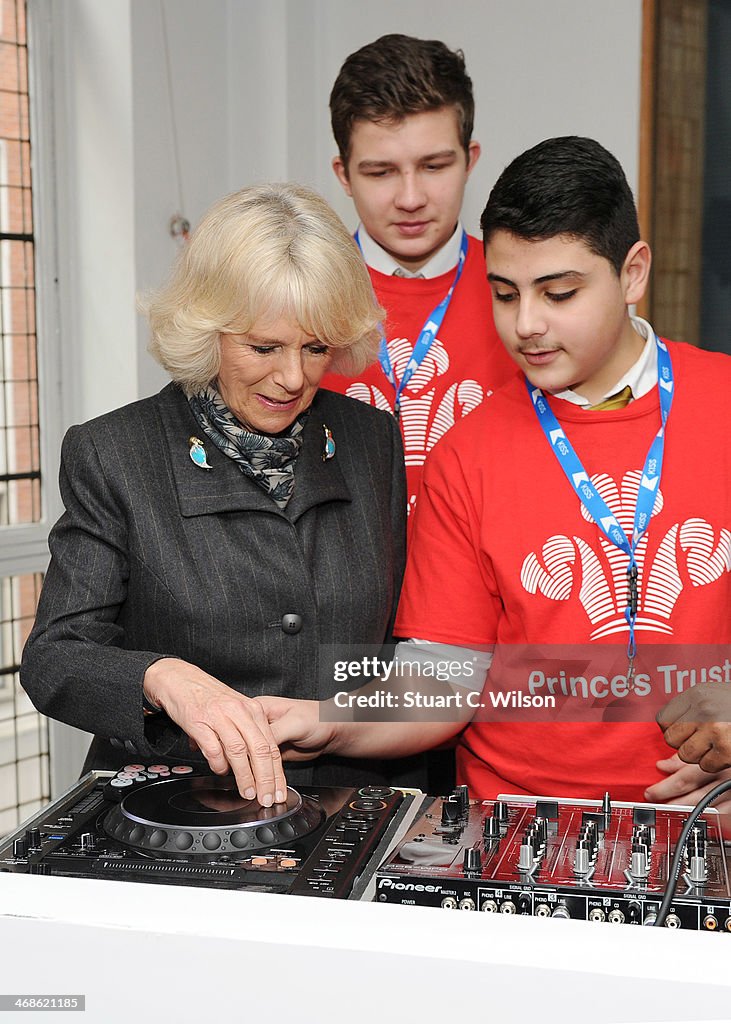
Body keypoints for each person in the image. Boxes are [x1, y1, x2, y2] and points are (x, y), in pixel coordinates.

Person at [260, 138, 731, 810]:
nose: (526, 325)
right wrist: (328, 719)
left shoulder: (723, 402)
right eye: (504, 295)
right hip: (512, 822)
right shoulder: (467, 450)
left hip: (706, 820)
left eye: (559, 292)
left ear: (632, 273)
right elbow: (443, 679)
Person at [20, 183, 425, 804]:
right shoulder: (114, 453)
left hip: (349, 801)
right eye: (264, 347)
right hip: (174, 810)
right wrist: (159, 676)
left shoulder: (371, 439)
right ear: (207, 330)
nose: (293, 377)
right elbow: (55, 655)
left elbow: (407, 647)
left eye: (315, 347)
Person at [323, 34, 515, 517]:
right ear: (343, 175)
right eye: (381, 172)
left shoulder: (523, 294)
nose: (410, 198)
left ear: (469, 160)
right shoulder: (296, 292)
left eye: (433, 166)